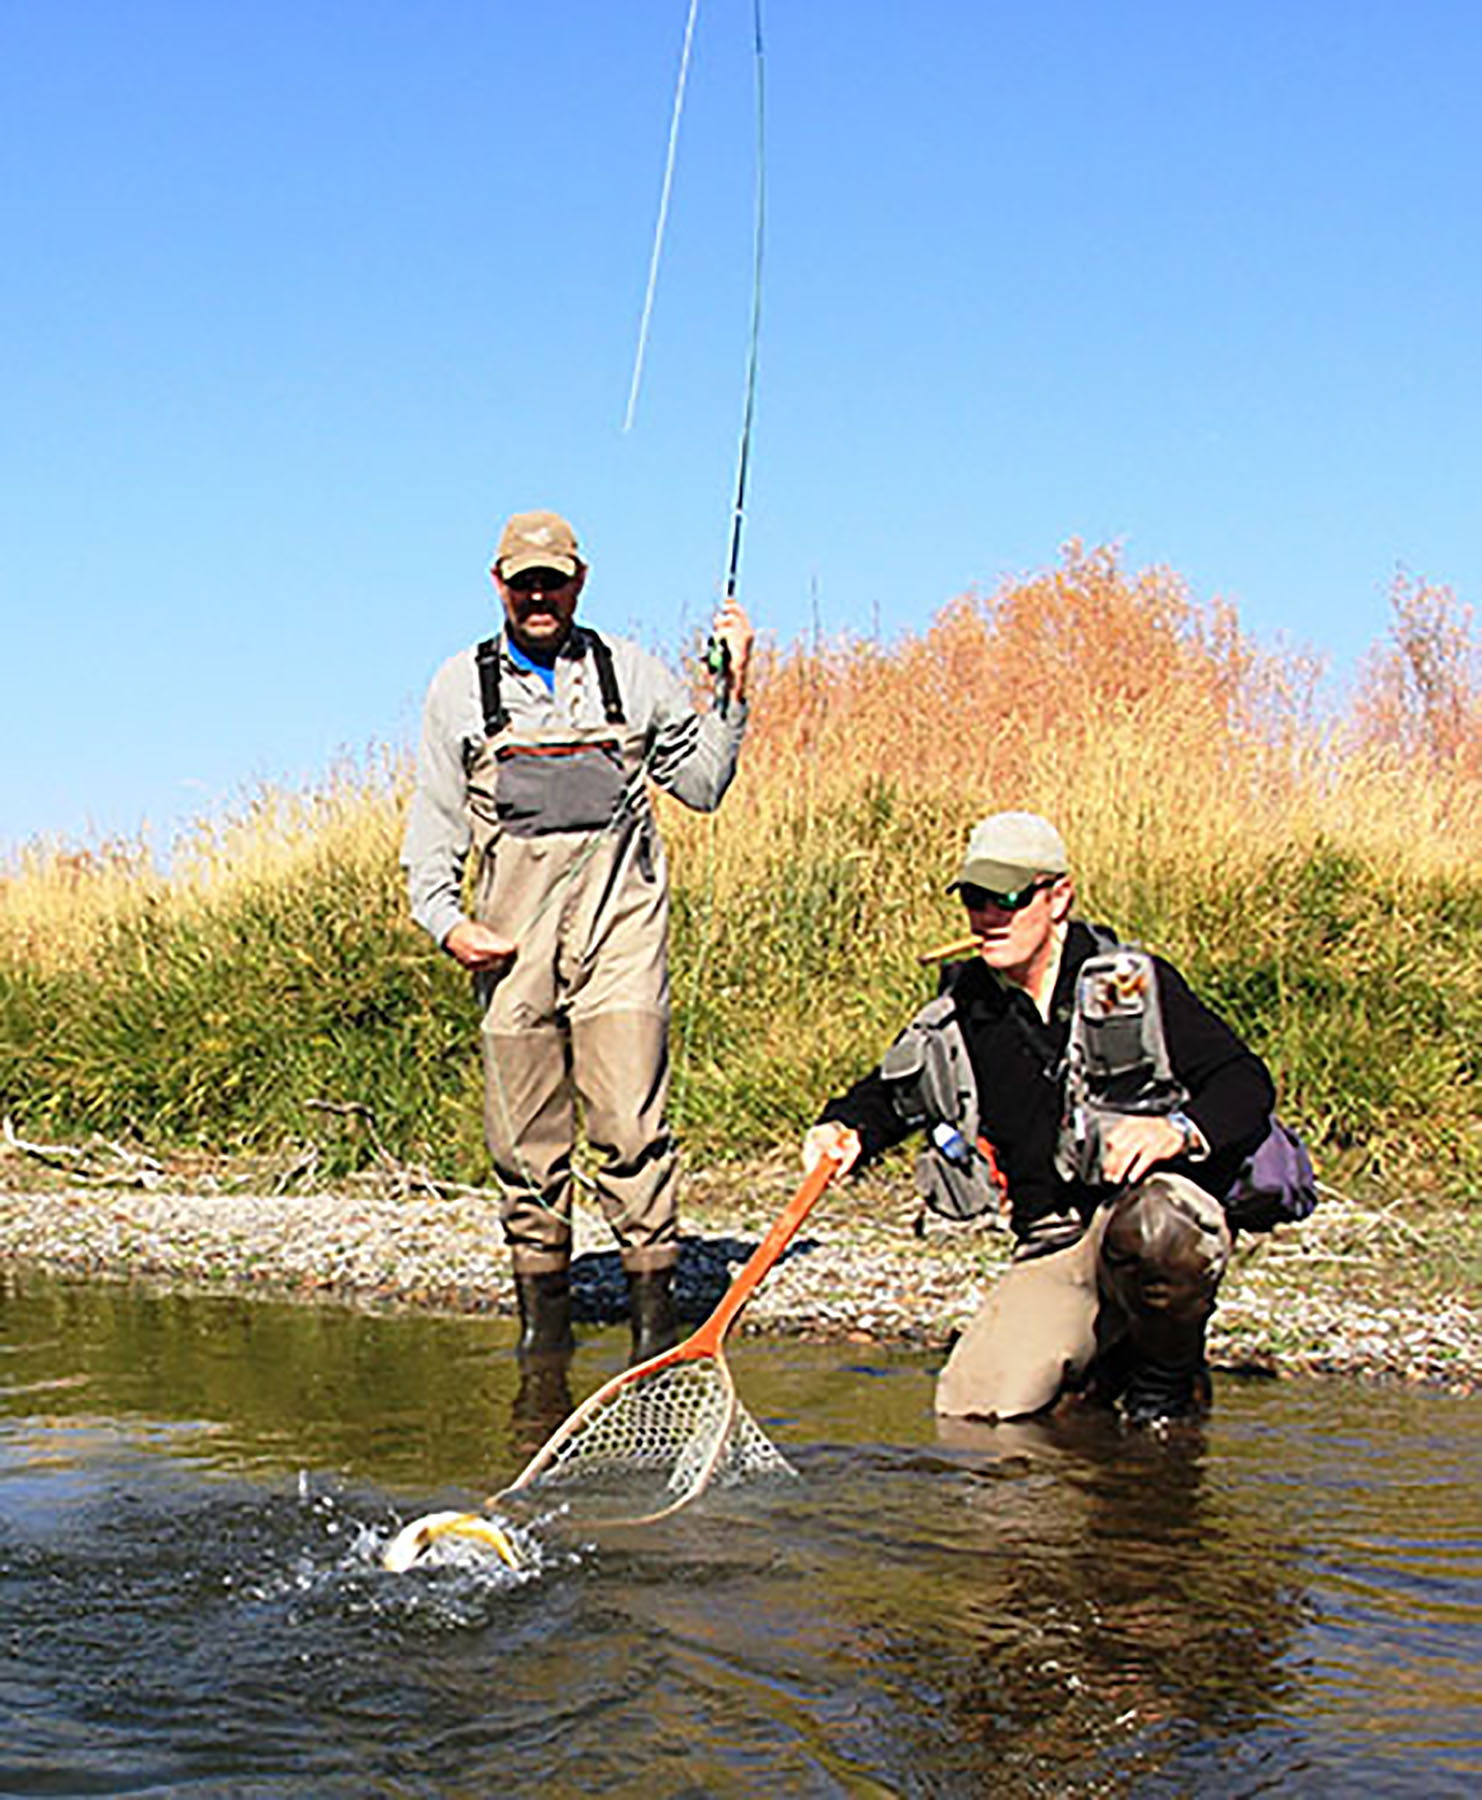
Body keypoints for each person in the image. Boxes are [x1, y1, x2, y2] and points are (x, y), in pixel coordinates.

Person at [403, 508, 754, 1366]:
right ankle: (542, 1349)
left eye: (552, 580)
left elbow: (704, 785)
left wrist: (732, 690)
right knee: (524, 1150)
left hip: (622, 943)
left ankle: (655, 1340)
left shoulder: (631, 674)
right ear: (498, 586)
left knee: (631, 1130)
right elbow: (432, 833)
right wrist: (450, 927)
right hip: (510, 951)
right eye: (522, 583)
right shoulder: (459, 686)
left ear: (579, 581)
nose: (538, 596)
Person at [803, 810, 1276, 1426]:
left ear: (1058, 898)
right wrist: (844, 1130)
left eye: (1006, 897)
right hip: (1050, 1244)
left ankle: (1166, 1382)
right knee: (973, 1413)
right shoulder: (962, 1009)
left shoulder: (1133, 984)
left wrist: (1174, 1131)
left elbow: (1245, 1083)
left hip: (1139, 1216)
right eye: (974, 898)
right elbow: (889, 1097)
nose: (987, 916)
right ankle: (1101, 1363)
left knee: (1160, 1231)